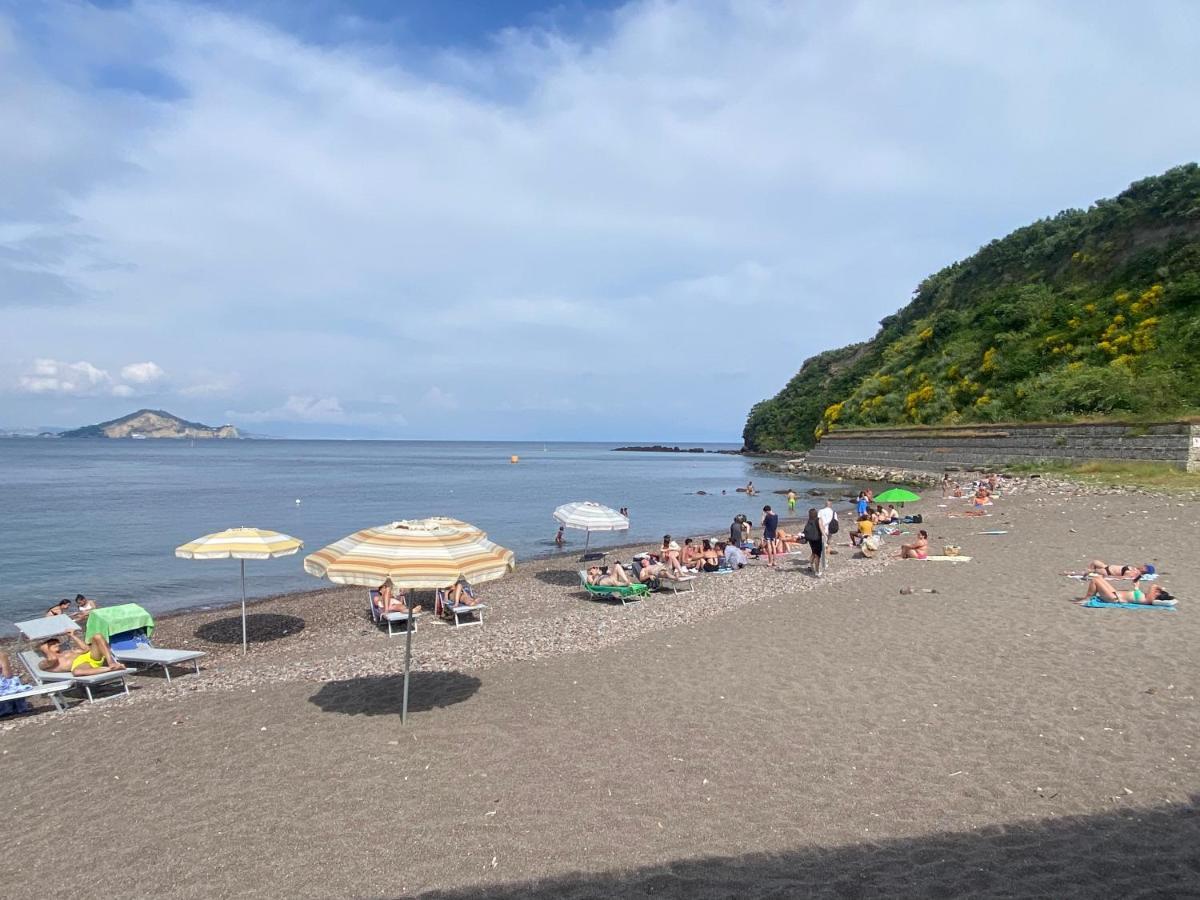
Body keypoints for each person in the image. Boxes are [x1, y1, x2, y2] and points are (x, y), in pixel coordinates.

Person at [37, 632, 125, 676]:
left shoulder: (67, 652)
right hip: (82, 665)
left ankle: (111, 662)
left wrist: (72, 635)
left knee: (97, 636)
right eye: (52, 643)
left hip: (90, 656)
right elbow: (52, 659)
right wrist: (44, 649)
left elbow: (86, 649)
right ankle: (111, 668)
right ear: (45, 648)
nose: (57, 644)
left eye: (57, 642)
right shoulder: (43, 663)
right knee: (76, 672)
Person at [1080, 575, 1175, 607]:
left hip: (1114, 598)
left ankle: (1087, 598)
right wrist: (1136, 586)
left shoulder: (1149, 599)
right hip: (1115, 593)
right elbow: (1136, 595)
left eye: (1157, 592)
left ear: (1158, 595)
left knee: (1095, 580)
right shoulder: (1146, 597)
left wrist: (1160, 588)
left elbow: (1153, 585)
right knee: (1099, 578)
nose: (1156, 591)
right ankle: (1087, 598)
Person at [802, 509, 824, 574]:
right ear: (816, 513)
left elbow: (806, 529)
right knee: (817, 555)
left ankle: (811, 566)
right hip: (817, 539)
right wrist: (825, 536)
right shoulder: (818, 519)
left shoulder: (809, 521)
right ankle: (817, 571)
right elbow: (821, 528)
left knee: (813, 552)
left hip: (810, 539)